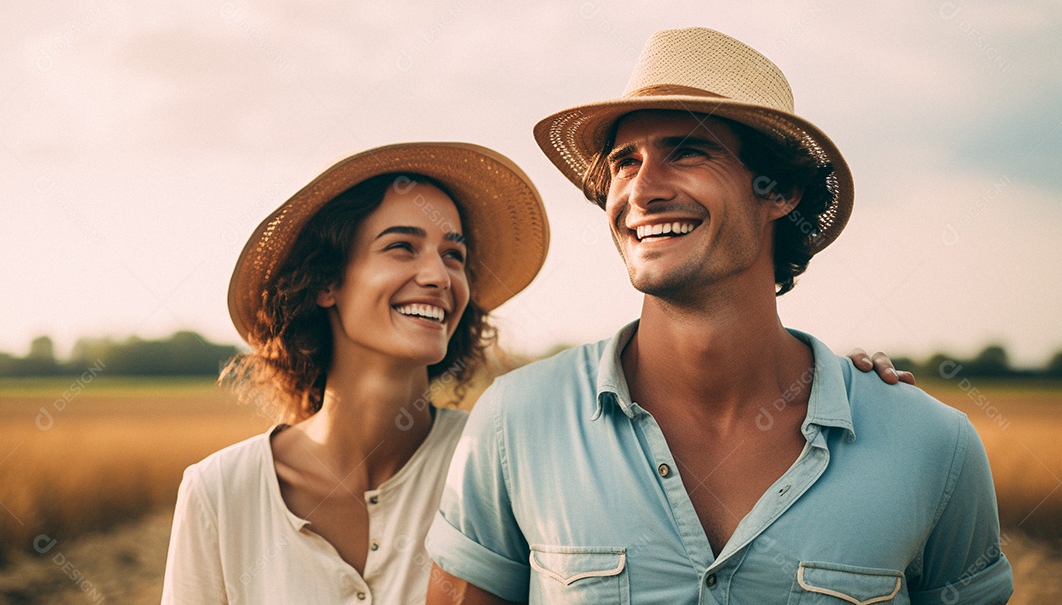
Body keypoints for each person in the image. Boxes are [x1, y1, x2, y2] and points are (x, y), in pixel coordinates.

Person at [427, 28, 1013, 603]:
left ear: (779, 190)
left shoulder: (931, 445)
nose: (642, 190)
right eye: (625, 162)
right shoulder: (515, 423)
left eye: (687, 151)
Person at [160, 142, 549, 604]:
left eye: (453, 255)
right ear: (326, 281)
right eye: (402, 247)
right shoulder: (219, 492)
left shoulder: (503, 468)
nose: (440, 277)